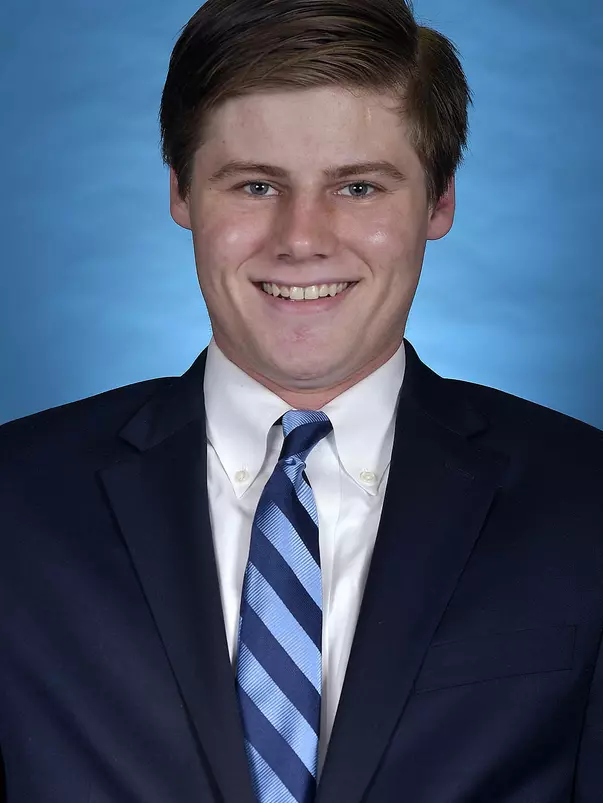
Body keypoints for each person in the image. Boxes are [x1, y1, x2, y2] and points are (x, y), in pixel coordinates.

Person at [1, 0, 602, 800]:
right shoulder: (14, 502)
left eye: (357, 186)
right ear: (181, 192)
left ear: (438, 202)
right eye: (255, 185)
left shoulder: (585, 502)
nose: (301, 238)